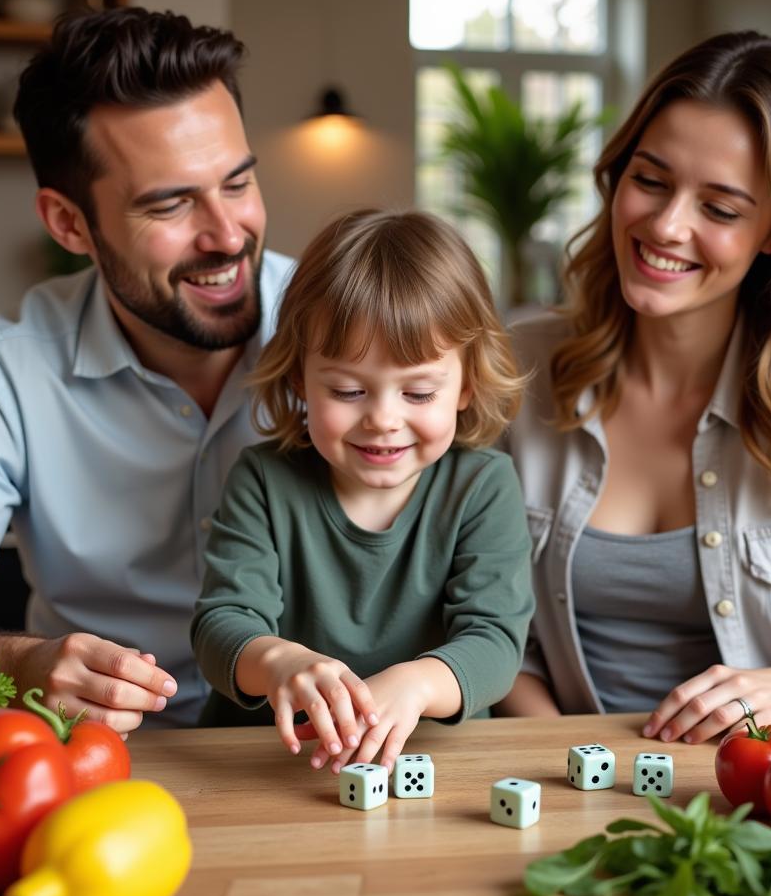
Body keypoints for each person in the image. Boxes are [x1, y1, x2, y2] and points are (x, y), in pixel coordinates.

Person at [0, 7, 294, 732]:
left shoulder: (343, 330)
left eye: (238, 183)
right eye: (172, 204)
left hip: (308, 756)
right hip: (91, 759)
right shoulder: (5, 368)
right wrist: (20, 667)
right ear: (69, 224)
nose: (227, 235)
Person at [497, 30, 771, 742]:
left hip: (764, 798)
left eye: (721, 209)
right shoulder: (517, 367)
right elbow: (475, 618)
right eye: (650, 180)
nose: (668, 226)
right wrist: (567, 762)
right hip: (556, 780)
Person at [191, 209, 534, 773]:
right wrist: (278, 661)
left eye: (419, 393)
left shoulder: (483, 486)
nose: (382, 419)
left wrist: (417, 684)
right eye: (349, 391)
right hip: (262, 762)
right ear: (300, 378)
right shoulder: (263, 478)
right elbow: (220, 623)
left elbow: (494, 642)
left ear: (467, 384)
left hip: (432, 762)